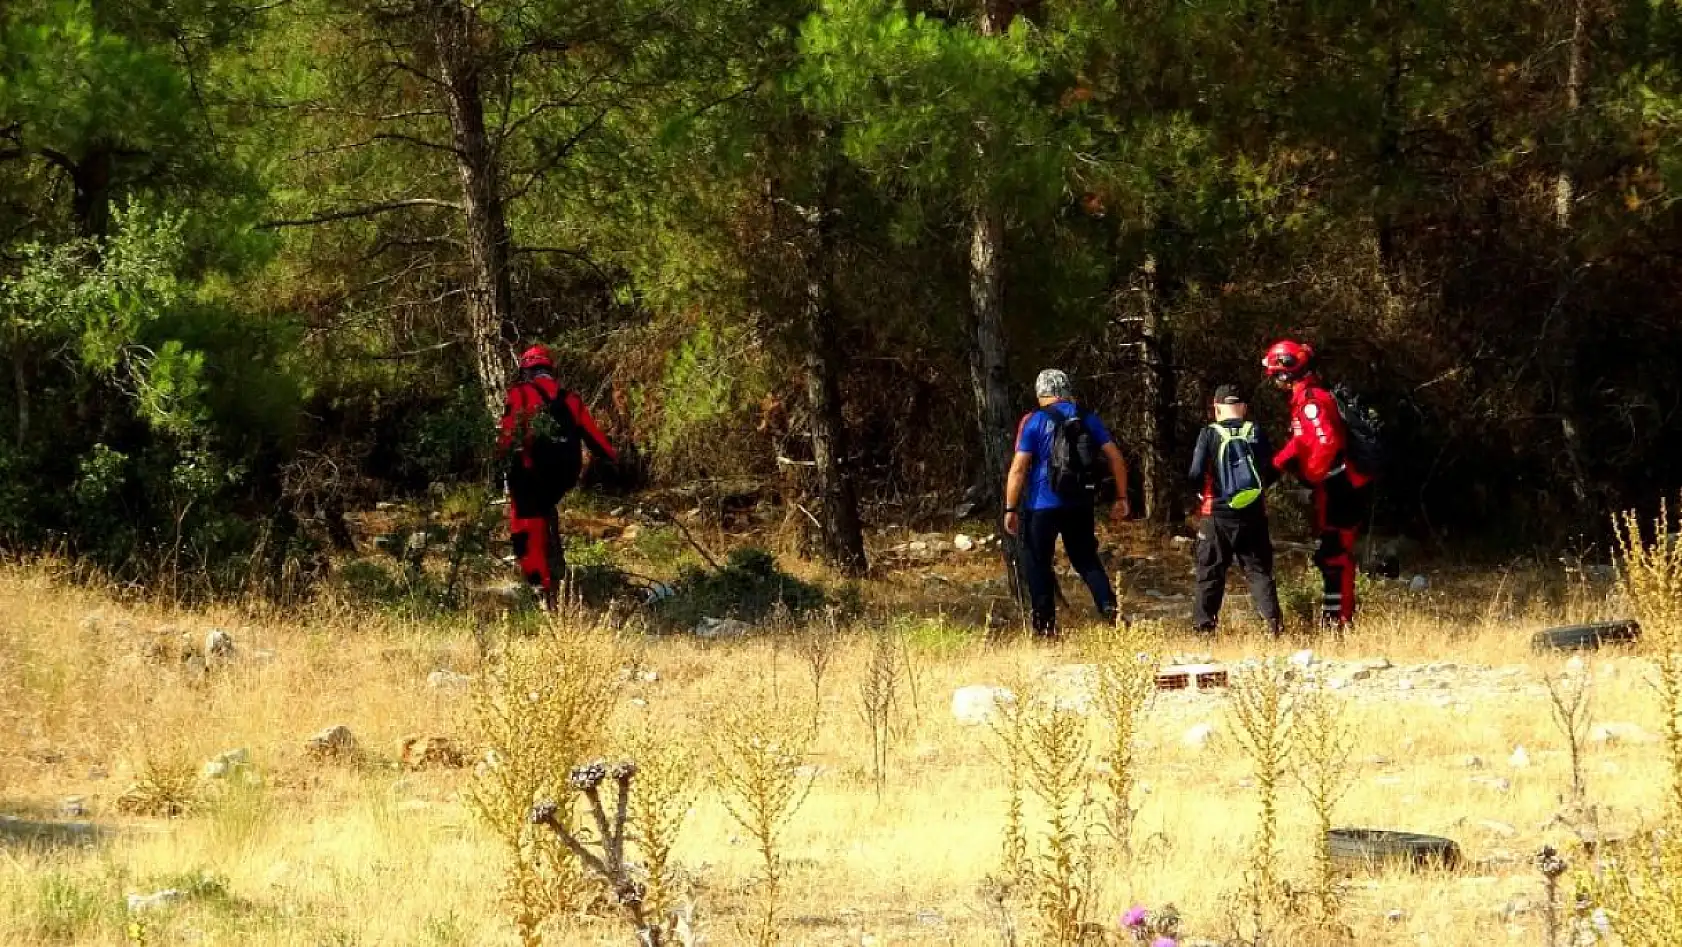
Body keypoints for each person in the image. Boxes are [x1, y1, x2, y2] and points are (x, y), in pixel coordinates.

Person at [1003, 369, 1131, 637]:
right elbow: (1116, 458)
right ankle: (1111, 612)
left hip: (1041, 505)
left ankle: (1045, 626)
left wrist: (1010, 508)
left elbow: (1018, 468)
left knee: (1038, 563)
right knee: (1086, 560)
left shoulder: (1034, 421)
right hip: (1079, 503)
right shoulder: (1087, 418)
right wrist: (1121, 498)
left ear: (1041, 393)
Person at [1262, 339, 1372, 629]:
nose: (1274, 381)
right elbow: (1302, 441)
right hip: (1335, 486)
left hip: (1341, 486)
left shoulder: (1310, 401)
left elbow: (1326, 442)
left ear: (1286, 372)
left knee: (1335, 554)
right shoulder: (1306, 398)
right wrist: (1276, 464)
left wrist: (1311, 475)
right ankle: (1336, 616)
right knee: (1331, 552)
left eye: (1275, 374)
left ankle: (1339, 620)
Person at [498, 344, 618, 610]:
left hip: (530, 472)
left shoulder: (520, 394)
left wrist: (496, 461)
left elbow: (508, 434)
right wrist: (615, 461)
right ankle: (552, 579)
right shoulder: (571, 399)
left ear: (526, 370)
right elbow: (597, 440)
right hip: (563, 476)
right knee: (543, 514)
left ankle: (540, 587)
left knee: (525, 527)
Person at [1188, 385, 1283, 636]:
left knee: (1210, 572)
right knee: (1259, 571)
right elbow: (1273, 469)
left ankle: (1204, 630)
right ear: (1243, 408)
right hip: (1253, 513)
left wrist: (1200, 491)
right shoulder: (1255, 431)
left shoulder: (1209, 433)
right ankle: (1273, 627)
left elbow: (1196, 472)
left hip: (1216, 513)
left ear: (1216, 408)